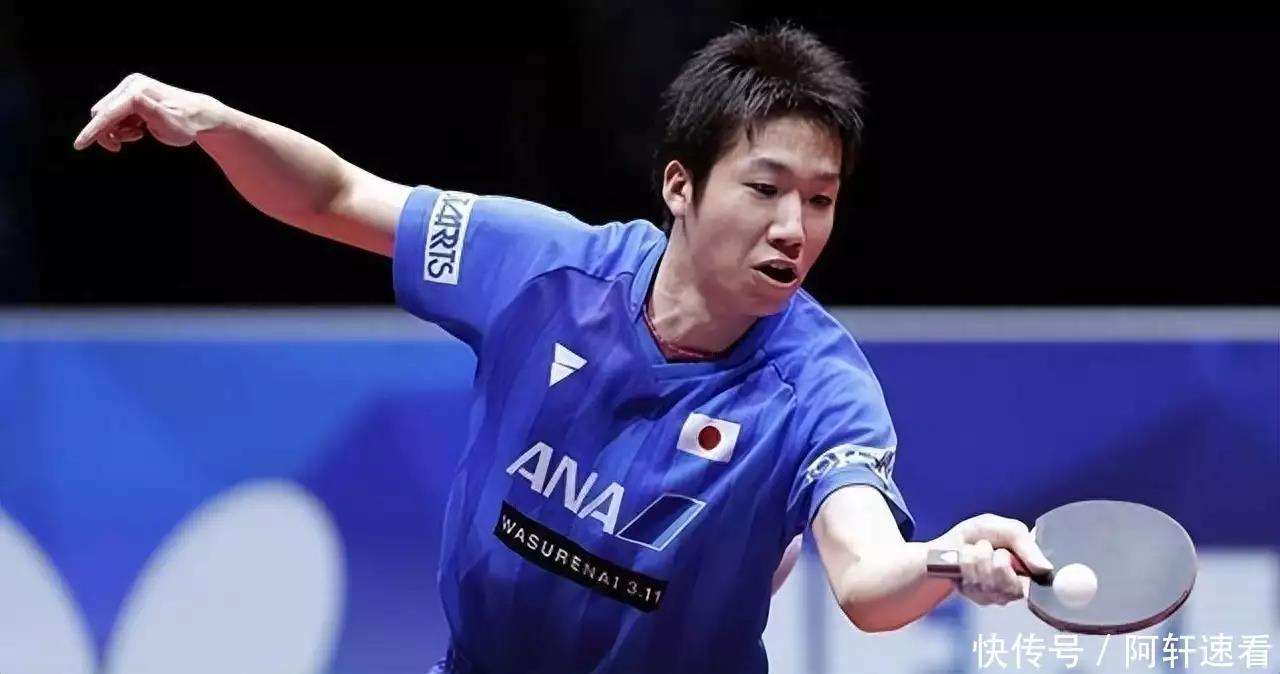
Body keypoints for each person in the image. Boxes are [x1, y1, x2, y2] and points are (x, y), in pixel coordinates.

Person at [73, 23, 1052, 674]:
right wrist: (214, 123)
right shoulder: (543, 269)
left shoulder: (820, 388)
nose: (794, 228)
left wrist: (945, 558)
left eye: (821, 199)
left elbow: (865, 578)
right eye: (764, 189)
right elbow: (336, 195)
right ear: (679, 184)